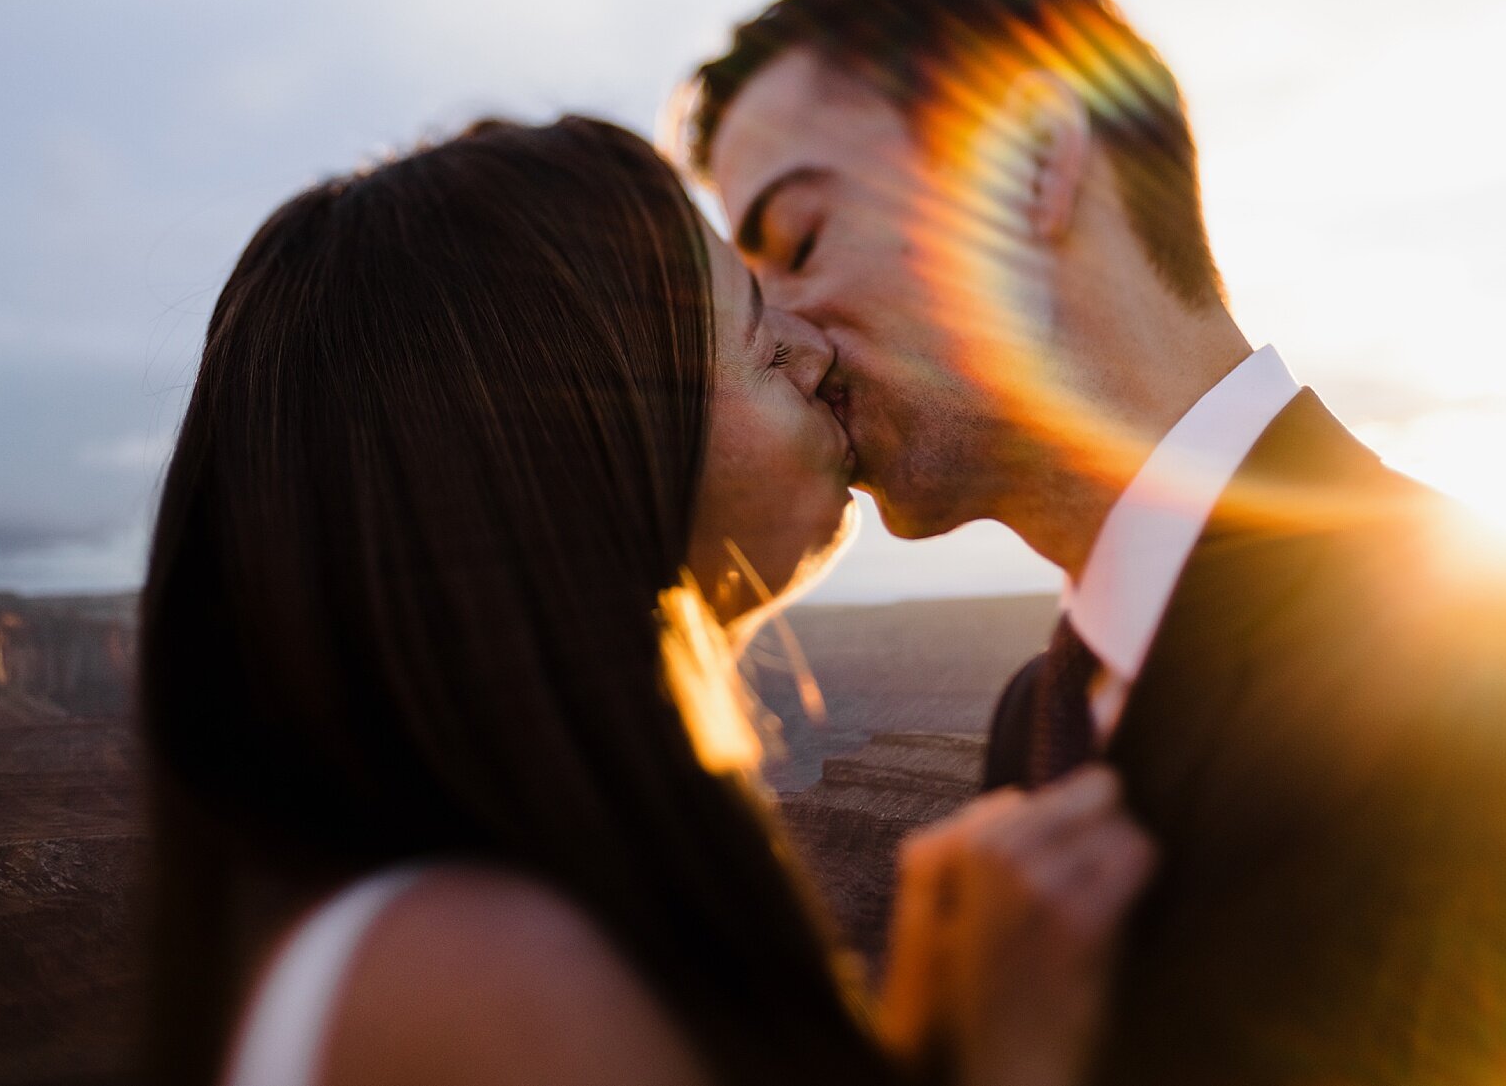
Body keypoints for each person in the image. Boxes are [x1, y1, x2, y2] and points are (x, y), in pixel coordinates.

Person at [686, 0, 1506, 1080]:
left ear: (1030, 167)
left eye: (804, 240)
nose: (793, 343)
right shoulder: (1042, 718)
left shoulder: (1491, 674)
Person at [137, 116, 1155, 1086]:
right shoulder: (486, 976)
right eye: (759, 340)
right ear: (574, 458)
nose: (816, 352)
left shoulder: (448, 916)